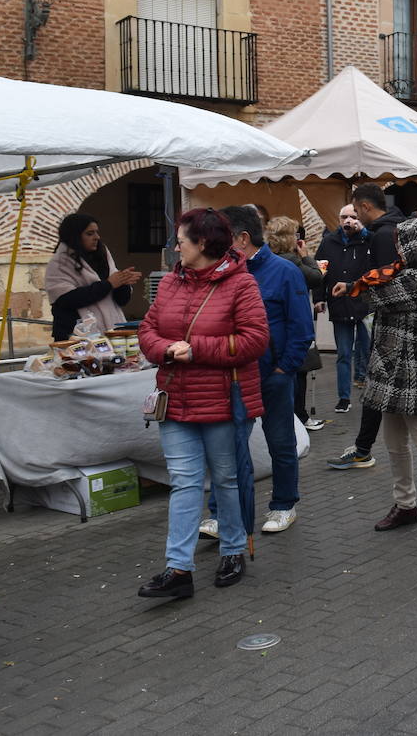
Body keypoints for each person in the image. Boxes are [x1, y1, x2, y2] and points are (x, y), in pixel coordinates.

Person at [136, 208, 268, 598]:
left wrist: (195, 351)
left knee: (226, 480)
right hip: (175, 400)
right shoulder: (170, 283)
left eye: (181, 240)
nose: (176, 246)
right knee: (184, 484)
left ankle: (232, 551)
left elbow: (254, 340)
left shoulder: (241, 285)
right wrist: (166, 350)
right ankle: (178, 570)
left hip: (223, 402)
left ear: (203, 243)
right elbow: (147, 329)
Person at [333, 216, 417, 546]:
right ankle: (406, 505)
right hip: (392, 369)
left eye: (403, 243)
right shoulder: (412, 273)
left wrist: (351, 285)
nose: (398, 249)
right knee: (394, 442)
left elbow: (373, 297)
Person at [207, 206, 313, 535]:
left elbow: (302, 328)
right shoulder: (222, 272)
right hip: (234, 376)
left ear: (241, 238)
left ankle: (283, 505)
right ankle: (221, 512)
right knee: (228, 446)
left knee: (280, 443)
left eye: (223, 238)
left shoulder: (284, 271)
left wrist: (284, 370)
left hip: (273, 376)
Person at [327, 185, 406, 469]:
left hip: (389, 325)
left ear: (364, 206)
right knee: (378, 390)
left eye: (355, 211)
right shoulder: (395, 228)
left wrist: (357, 290)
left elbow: (387, 281)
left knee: (410, 404)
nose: (354, 218)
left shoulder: (384, 235)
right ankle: (362, 449)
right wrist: (352, 286)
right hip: (388, 323)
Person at [265, 216, 325, 432]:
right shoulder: (292, 261)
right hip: (292, 332)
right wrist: (307, 256)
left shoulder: (266, 260)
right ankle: (299, 416)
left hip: (272, 337)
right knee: (299, 373)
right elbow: (317, 277)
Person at [45, 212, 140, 341]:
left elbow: (121, 301)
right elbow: (66, 300)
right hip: (75, 335)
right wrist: (108, 284)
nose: (97, 237)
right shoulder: (59, 263)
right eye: (90, 234)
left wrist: (122, 283)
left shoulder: (103, 255)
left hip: (111, 331)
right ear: (75, 236)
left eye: (96, 232)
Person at [315, 205, 372, 414]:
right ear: (338, 219)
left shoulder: (368, 240)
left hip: (364, 304)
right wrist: (319, 298)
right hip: (339, 303)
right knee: (344, 353)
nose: (348, 220)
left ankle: (368, 390)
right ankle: (343, 397)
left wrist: (364, 232)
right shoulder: (328, 241)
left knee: (366, 349)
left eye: (353, 217)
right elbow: (320, 271)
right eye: (344, 217)